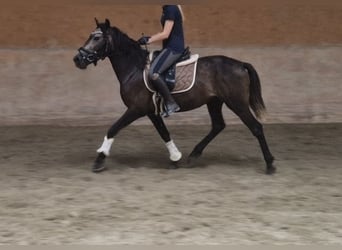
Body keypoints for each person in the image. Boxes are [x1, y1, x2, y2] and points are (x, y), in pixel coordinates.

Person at [138, 5, 186, 117]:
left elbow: (166, 34)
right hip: (169, 47)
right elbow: (182, 20)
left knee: (153, 73)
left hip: (173, 48)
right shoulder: (169, 7)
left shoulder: (170, 8)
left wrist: (148, 40)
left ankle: (171, 103)